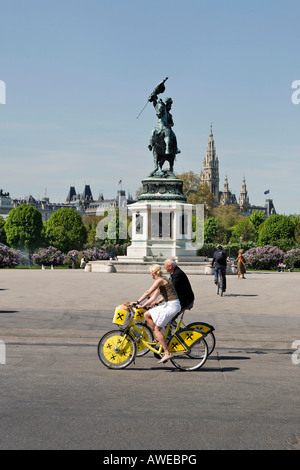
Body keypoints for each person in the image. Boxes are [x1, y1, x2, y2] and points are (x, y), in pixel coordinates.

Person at [131, 264, 181, 364]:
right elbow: (153, 297)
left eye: (151, 273)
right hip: (169, 305)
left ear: (153, 273)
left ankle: (167, 353)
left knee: (157, 329)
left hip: (172, 306)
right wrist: (143, 305)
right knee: (147, 315)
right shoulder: (162, 280)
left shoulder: (159, 281)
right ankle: (158, 337)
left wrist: (137, 302)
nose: (151, 275)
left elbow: (148, 292)